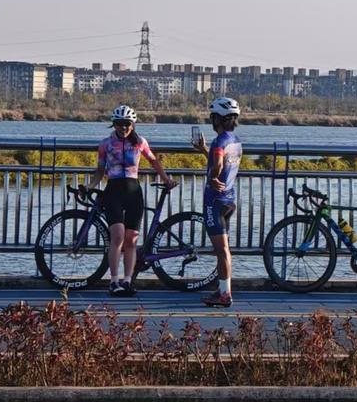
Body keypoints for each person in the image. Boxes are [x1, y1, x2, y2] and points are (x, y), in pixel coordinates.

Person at [87, 105, 176, 296]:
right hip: (113, 192)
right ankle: (113, 281)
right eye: (119, 124)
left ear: (133, 124)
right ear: (114, 125)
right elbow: (100, 170)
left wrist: (166, 179)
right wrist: (90, 187)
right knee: (117, 236)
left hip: (134, 192)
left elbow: (153, 161)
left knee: (131, 240)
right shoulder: (105, 144)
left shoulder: (140, 142)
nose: (123, 127)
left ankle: (127, 281)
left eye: (127, 124)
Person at [192, 96, 242, 308]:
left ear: (217, 119)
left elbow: (219, 164)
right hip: (230, 200)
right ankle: (223, 289)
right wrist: (205, 151)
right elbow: (221, 161)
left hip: (215, 201)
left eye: (212, 117)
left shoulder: (219, 141)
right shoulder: (235, 140)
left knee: (222, 251)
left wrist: (213, 177)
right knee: (224, 249)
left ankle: (225, 295)